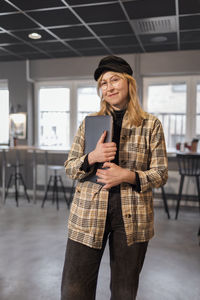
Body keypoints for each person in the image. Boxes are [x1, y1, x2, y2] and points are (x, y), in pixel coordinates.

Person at [61, 55, 168, 300]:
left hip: (133, 214)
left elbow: (161, 174)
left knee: (124, 290)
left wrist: (127, 175)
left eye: (114, 79)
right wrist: (92, 157)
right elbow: (70, 168)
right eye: (103, 83)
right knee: (74, 289)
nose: (108, 87)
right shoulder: (90, 123)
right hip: (88, 212)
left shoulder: (150, 125)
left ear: (129, 83)